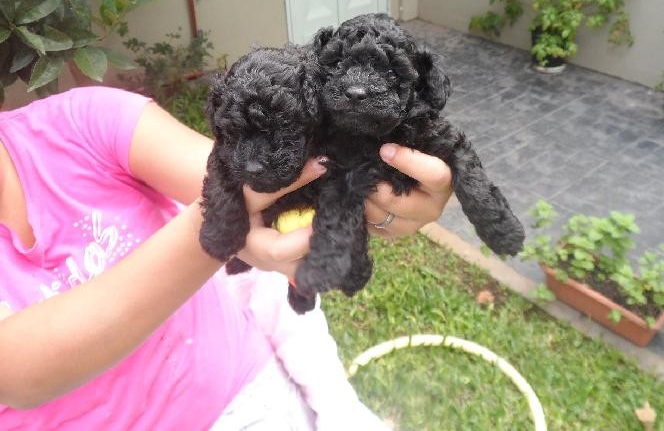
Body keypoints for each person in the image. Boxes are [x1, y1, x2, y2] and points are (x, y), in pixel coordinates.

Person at [0, 85, 453, 429]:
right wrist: (223, 226)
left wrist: (374, 184)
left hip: (253, 399)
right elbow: (21, 371)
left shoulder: (78, 122)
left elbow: (254, 187)